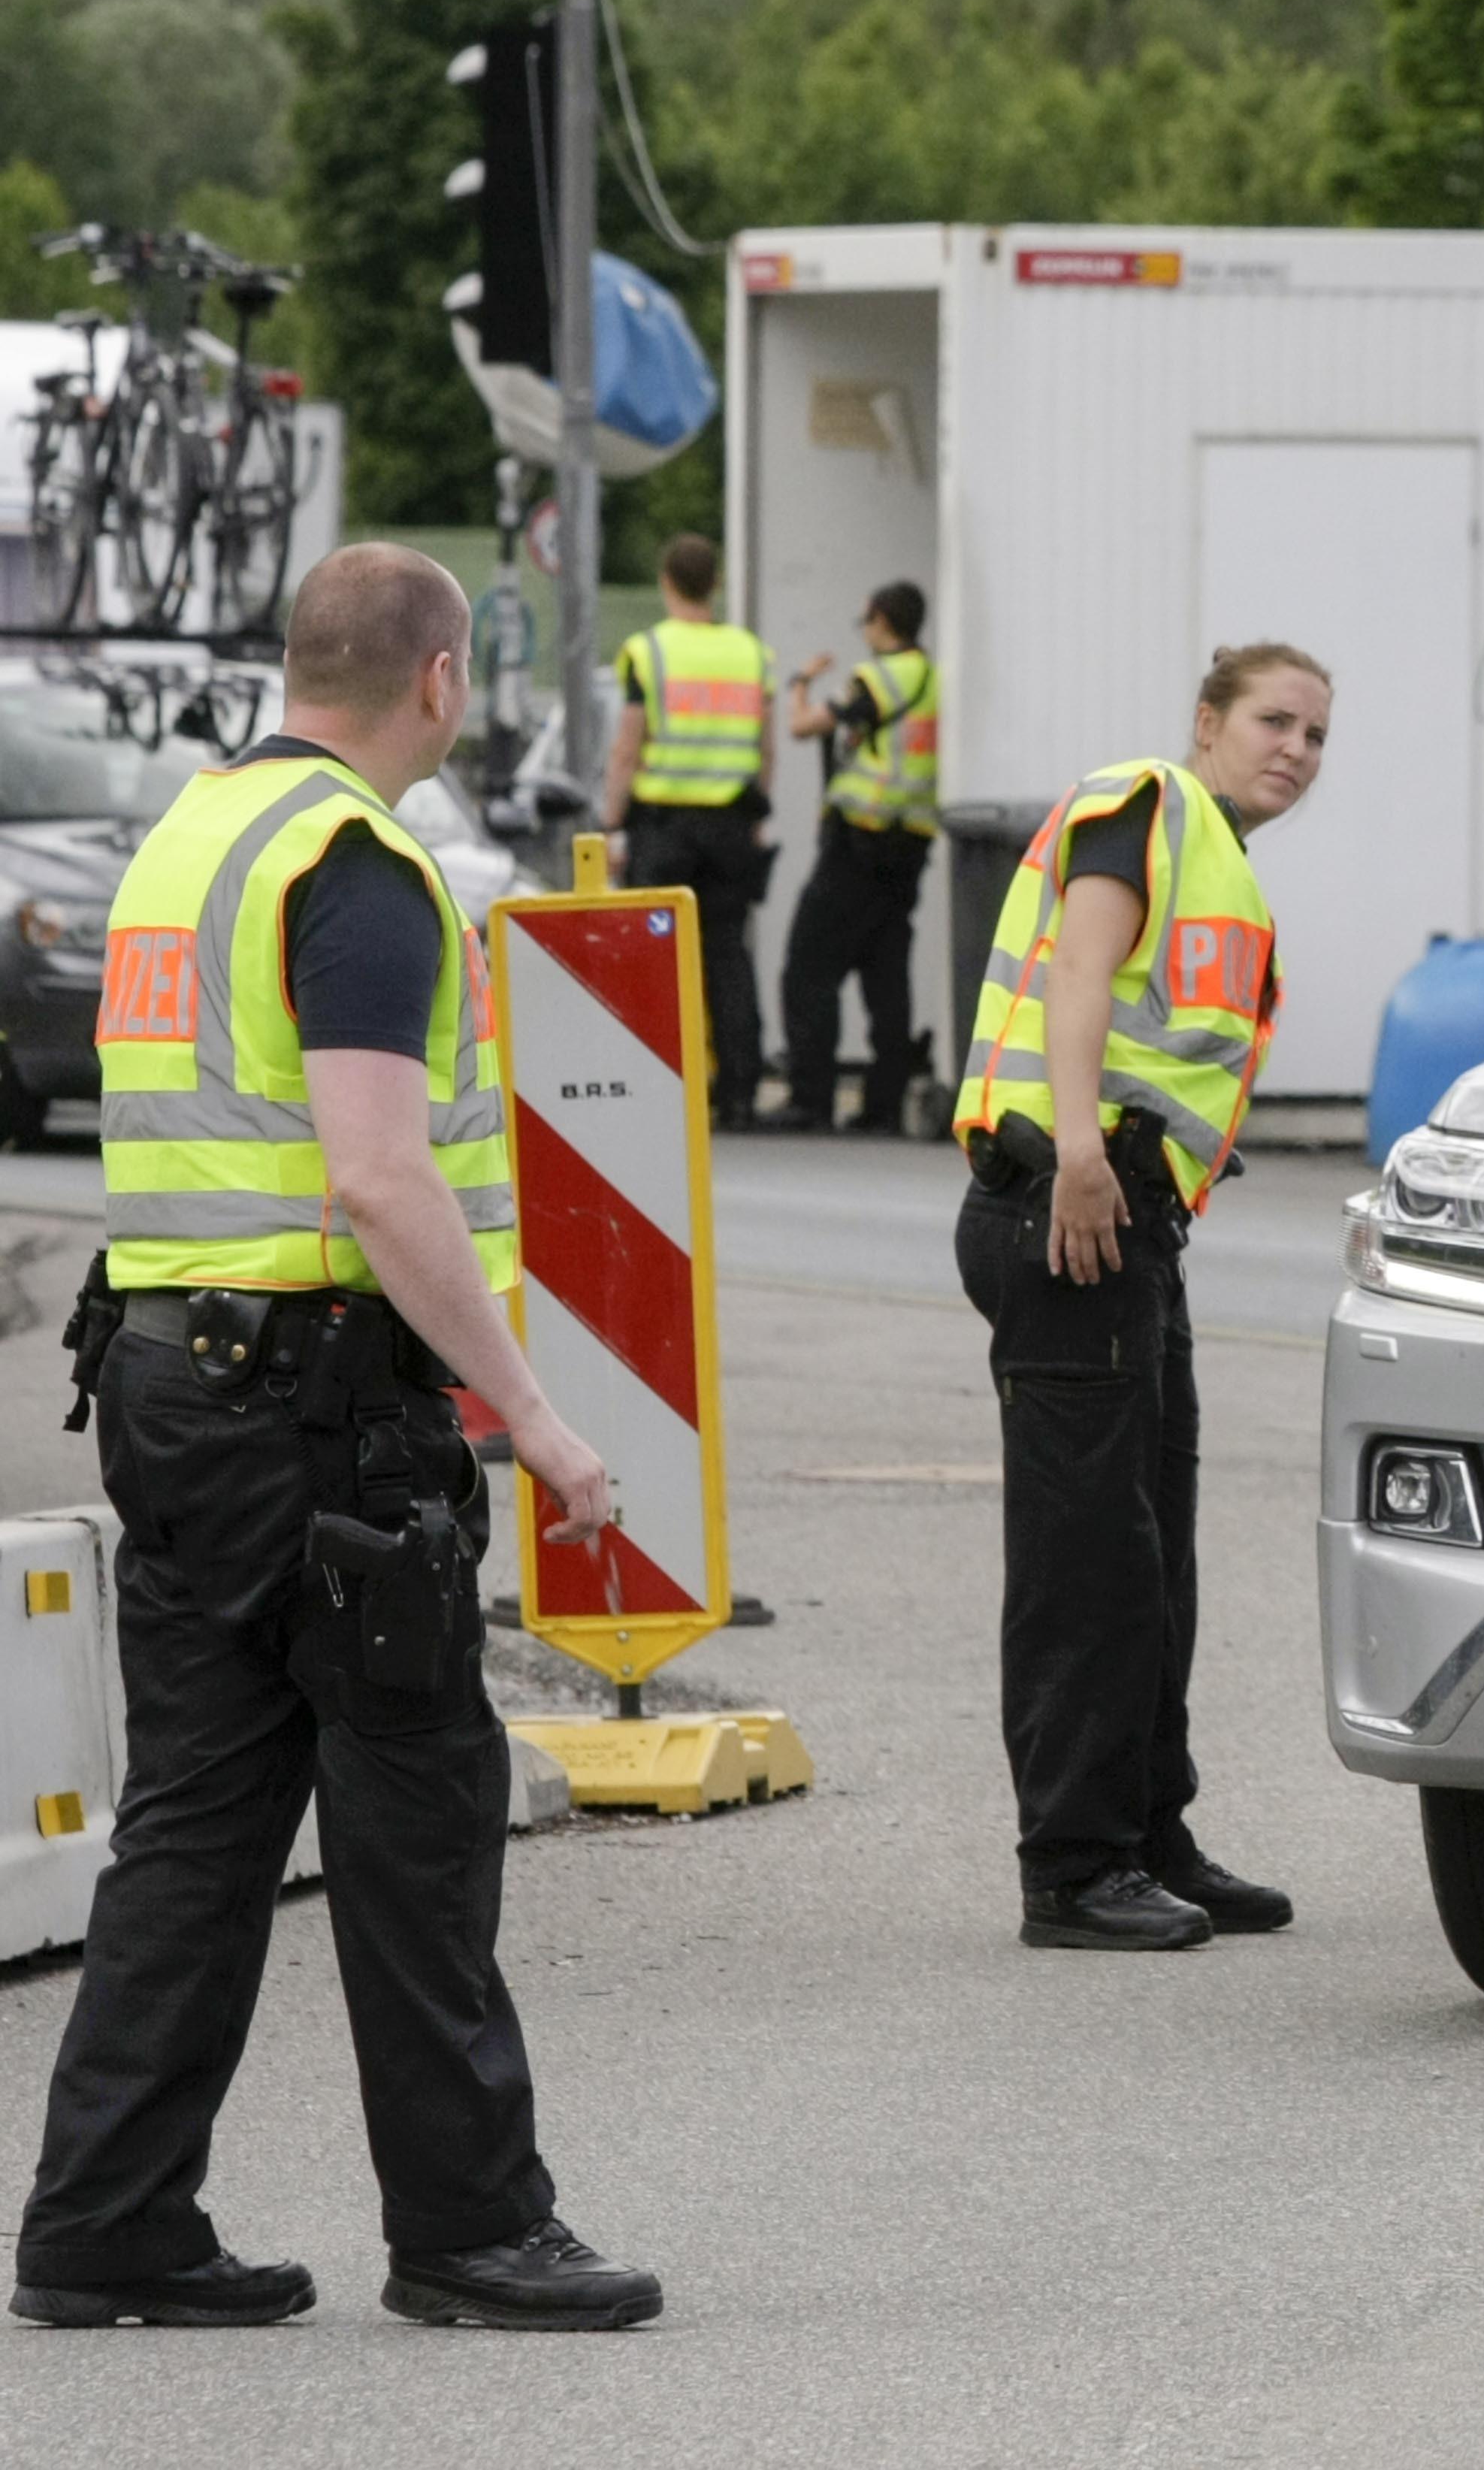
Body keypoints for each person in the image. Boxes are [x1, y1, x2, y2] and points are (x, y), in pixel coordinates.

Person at [14, 545, 660, 2333]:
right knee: (419, 1808)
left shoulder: (185, 840)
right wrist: (529, 1415)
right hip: (319, 1414)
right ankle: (472, 2228)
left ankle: (108, 2218)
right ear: (439, 681)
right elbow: (379, 1172)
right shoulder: (358, 864)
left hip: (170, 1382)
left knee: (202, 1822)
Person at [951, 643, 1330, 1952]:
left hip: (1129, 1228)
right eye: (1274, 720)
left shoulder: (1218, 858)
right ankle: (1072, 1864)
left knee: (1150, 1549)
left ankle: (1149, 1832)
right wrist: (1073, 1153)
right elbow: (1079, 979)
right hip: (1070, 1206)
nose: (1297, 748)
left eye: (1317, 735)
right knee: (1087, 1564)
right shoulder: (1147, 804)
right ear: (1208, 723)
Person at [600, 535, 775, 1129]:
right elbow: (766, 749)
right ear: (716, 583)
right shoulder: (752, 654)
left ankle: (659, 1090)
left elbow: (628, 746)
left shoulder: (648, 651)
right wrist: (758, 817)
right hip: (731, 826)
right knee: (728, 956)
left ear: (666, 582)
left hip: (664, 827)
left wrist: (611, 820)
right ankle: (742, 1093)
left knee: (655, 958)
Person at [765, 580, 940, 1135]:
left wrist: (799, 685)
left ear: (884, 621)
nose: (862, 631)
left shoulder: (879, 677)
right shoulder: (931, 679)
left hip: (858, 844)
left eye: (864, 620)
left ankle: (811, 1100)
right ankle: (882, 1106)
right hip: (908, 844)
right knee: (886, 977)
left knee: (808, 970)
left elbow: (802, 726)